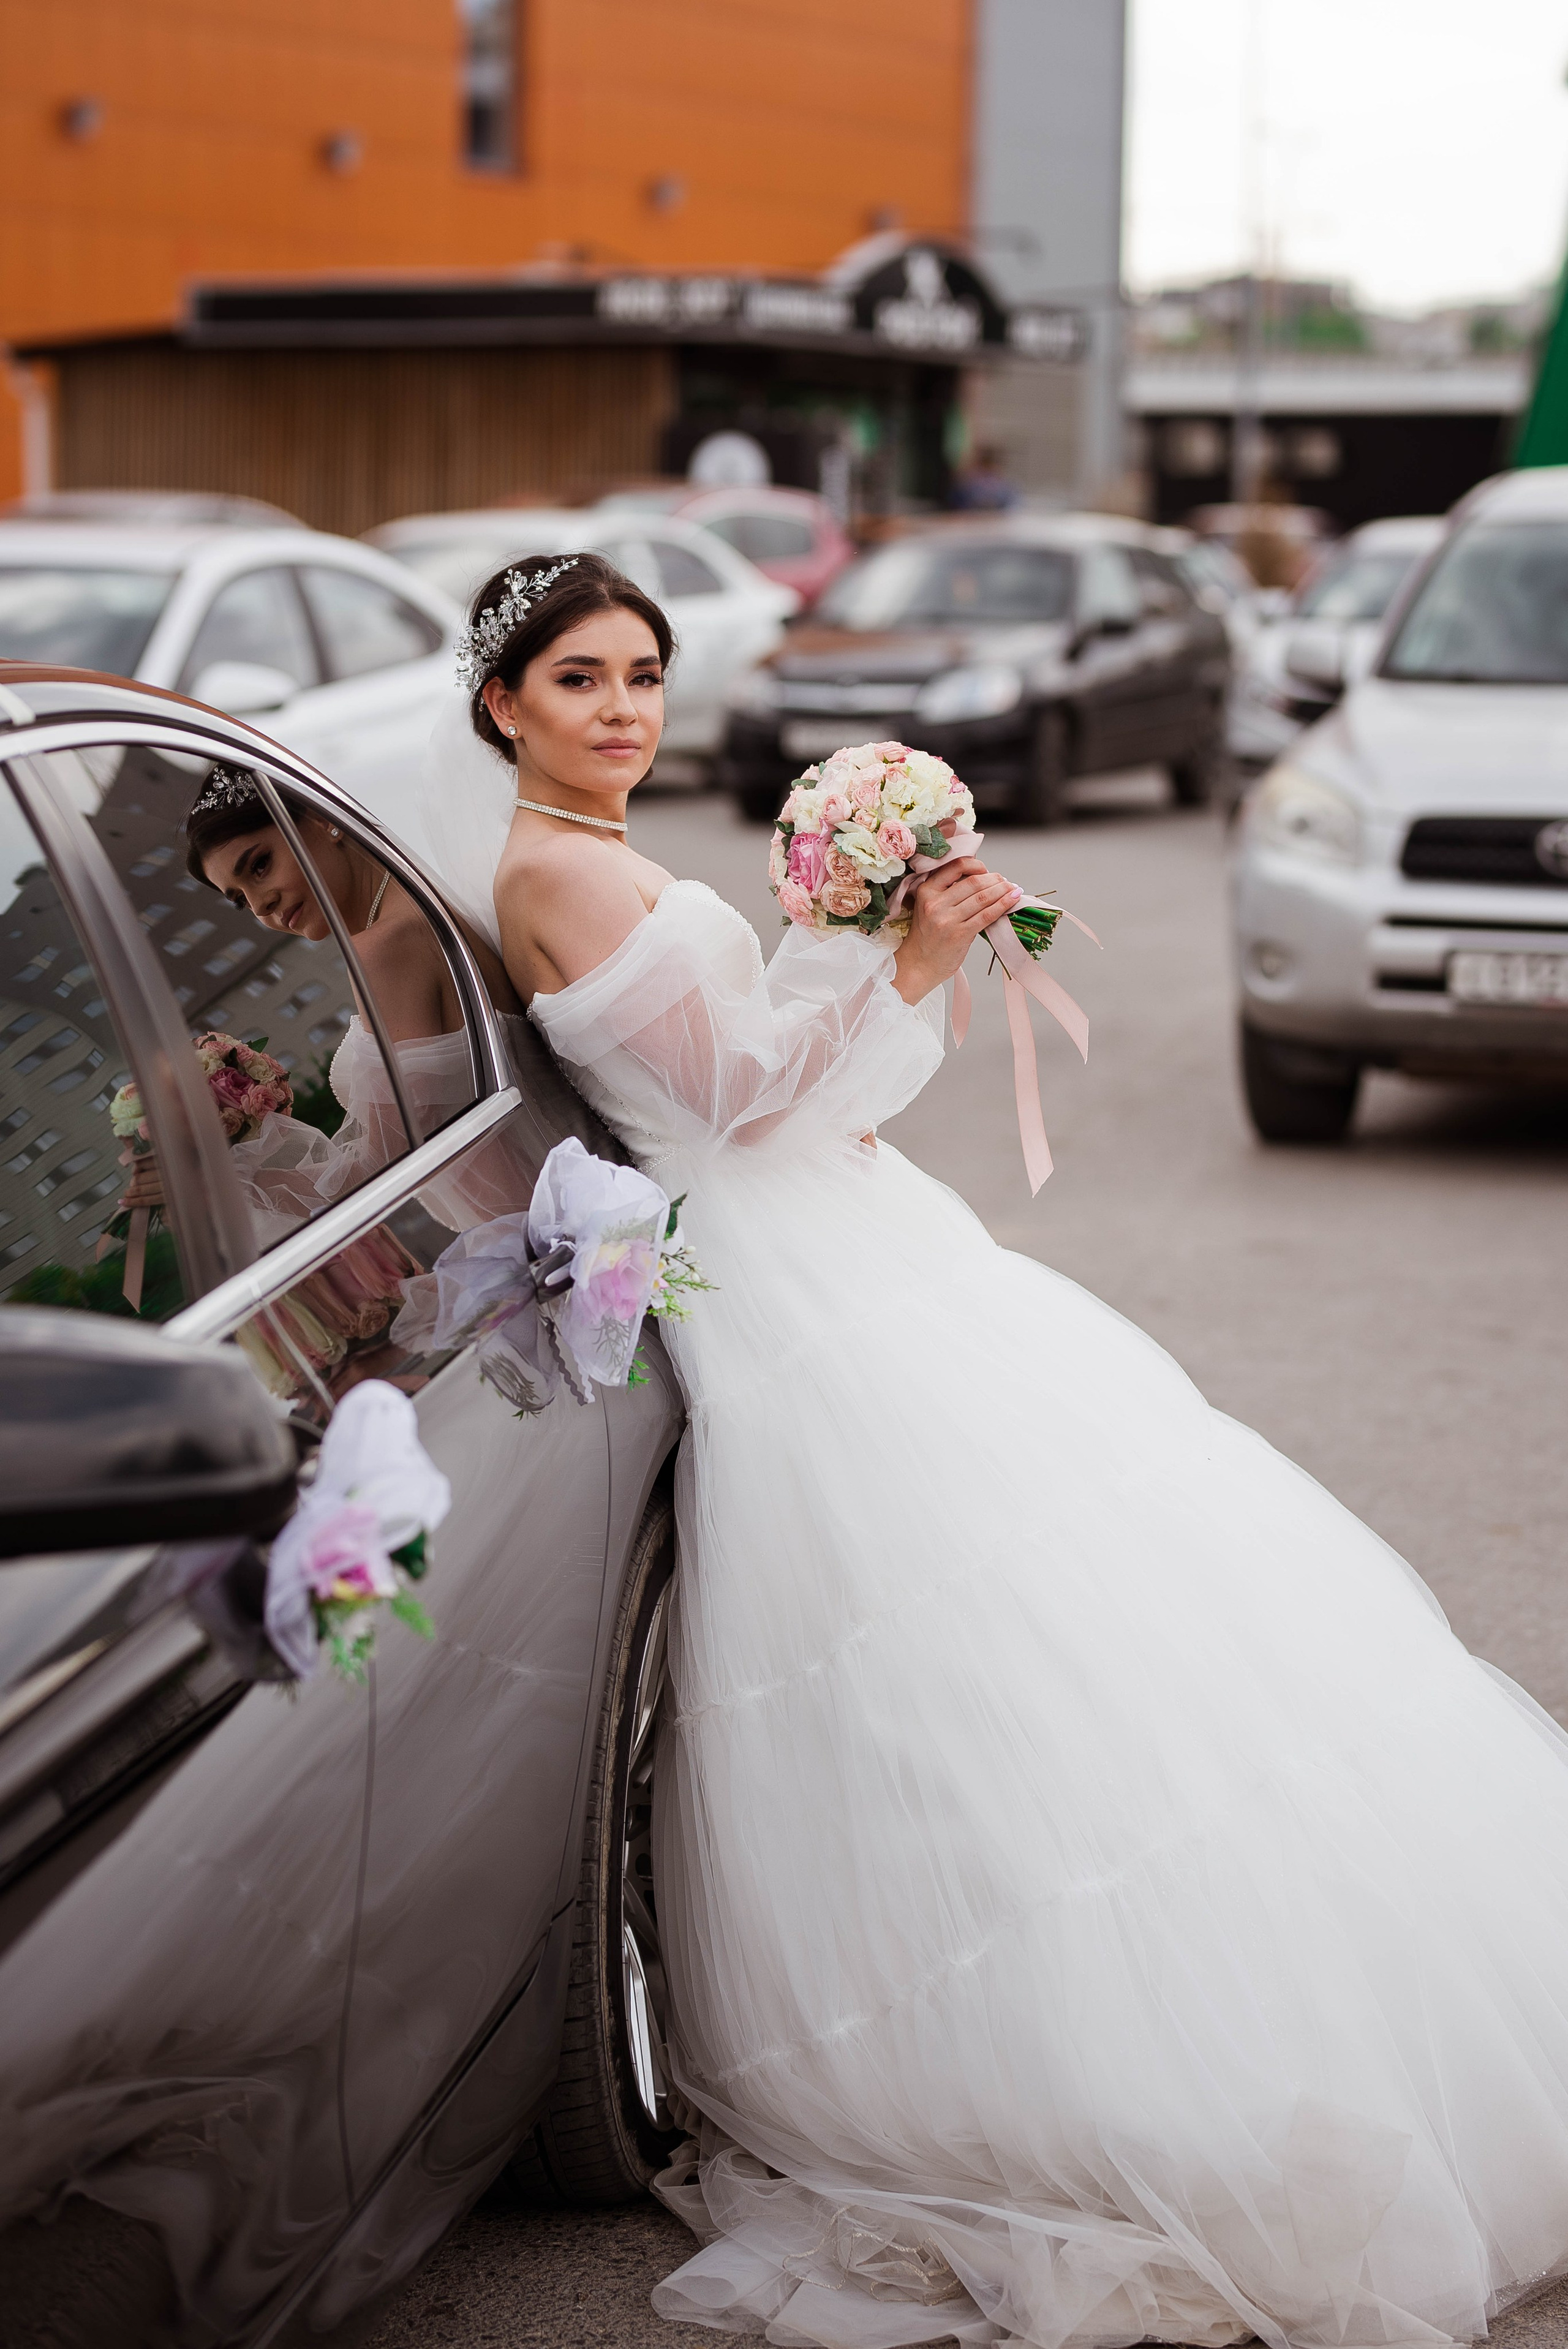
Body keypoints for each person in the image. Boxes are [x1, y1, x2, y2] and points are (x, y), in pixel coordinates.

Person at [420, 551, 1568, 2349]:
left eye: (644, 672)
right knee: (948, 1669)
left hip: (839, 1252)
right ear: (504, 705)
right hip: (794, 1302)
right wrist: (906, 948)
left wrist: (881, 953)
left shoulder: (604, 848)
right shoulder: (556, 869)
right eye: (580, 681)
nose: (627, 707)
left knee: (1060, 1636)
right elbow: (748, 1095)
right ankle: (1067, 2054)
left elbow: (796, 1092)